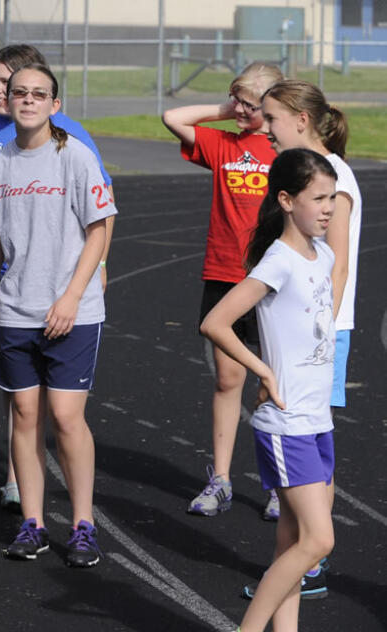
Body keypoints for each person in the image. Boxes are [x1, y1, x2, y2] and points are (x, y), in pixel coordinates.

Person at [0, 44, 114, 511]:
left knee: (65, 415)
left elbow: (100, 224)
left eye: (38, 93)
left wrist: (78, 291)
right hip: (14, 305)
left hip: (67, 307)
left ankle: (82, 523)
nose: (23, 98)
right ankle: (30, 518)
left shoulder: (74, 151)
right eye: (16, 91)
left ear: (54, 103)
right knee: (23, 410)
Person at [199, 148, 338, 632]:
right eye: (318, 197)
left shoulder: (324, 255)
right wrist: (264, 370)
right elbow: (216, 322)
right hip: (287, 423)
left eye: (332, 197)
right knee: (318, 541)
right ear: (285, 200)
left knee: (291, 542)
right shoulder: (276, 262)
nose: (328, 207)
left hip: (318, 420)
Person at [240, 78, 360, 601]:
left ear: (301, 121)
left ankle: (311, 558)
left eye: (270, 119)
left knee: (312, 436)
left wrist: (321, 340)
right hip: (302, 334)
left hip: (323, 334)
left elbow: (335, 271)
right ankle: (298, 561)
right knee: (305, 445)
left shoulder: (333, 180)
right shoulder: (296, 178)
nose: (263, 128)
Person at [161, 62, 283, 520]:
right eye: (238, 102)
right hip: (224, 273)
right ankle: (222, 480)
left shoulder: (281, 151)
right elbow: (174, 119)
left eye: (251, 106)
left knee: (272, 385)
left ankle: (277, 484)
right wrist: (227, 107)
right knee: (228, 380)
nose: (241, 112)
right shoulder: (224, 144)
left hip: (270, 280)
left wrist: (262, 113)